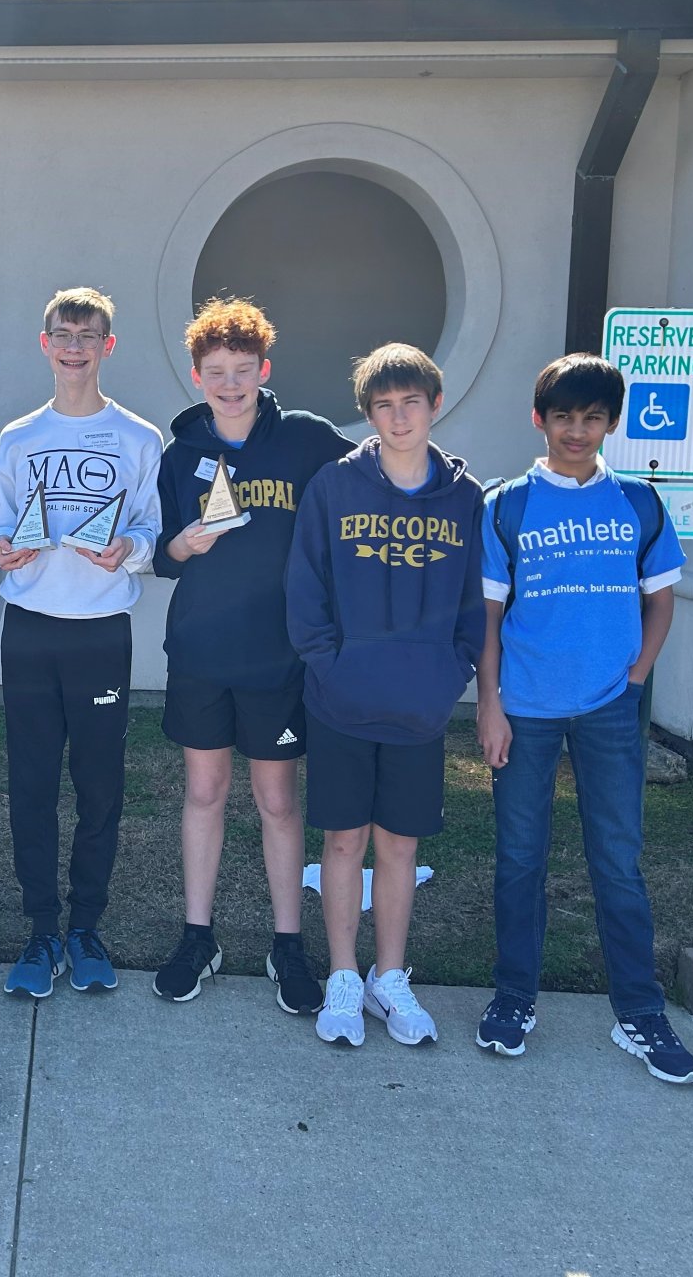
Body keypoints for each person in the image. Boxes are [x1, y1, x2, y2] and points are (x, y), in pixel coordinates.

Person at [474, 354, 693, 1083]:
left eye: (593, 417)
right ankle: (514, 1000)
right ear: (540, 420)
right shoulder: (505, 504)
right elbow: (487, 614)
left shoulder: (638, 501)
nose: (578, 430)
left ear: (612, 423)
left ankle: (640, 1012)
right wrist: (490, 702)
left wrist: (634, 679)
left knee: (617, 862)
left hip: (609, 707)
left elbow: (661, 599)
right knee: (519, 860)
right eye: (564, 416)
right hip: (525, 710)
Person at [149, 300, 352, 1009]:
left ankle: (287, 946)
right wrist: (184, 543)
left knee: (275, 800)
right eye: (215, 373)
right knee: (203, 792)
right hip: (202, 650)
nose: (229, 384)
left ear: (263, 371)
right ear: (197, 376)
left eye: (241, 371)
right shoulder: (181, 454)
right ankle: (197, 937)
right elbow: (162, 557)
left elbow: (370, 481)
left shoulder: (305, 439)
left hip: (279, 656)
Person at [286, 343, 483, 1047]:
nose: (398, 418)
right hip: (341, 699)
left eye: (411, 403)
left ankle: (389, 977)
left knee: (400, 845)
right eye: (383, 406)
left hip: (419, 704)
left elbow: (473, 603)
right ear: (369, 413)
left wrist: (449, 672)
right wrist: (329, 665)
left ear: (434, 405)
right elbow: (305, 587)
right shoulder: (335, 488)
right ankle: (343, 976)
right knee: (342, 840)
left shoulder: (464, 497)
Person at [0, 287, 163, 999]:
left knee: (99, 788)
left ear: (107, 347)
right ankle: (40, 929)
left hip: (100, 634)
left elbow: (151, 534)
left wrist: (127, 547)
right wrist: (3, 550)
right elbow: (0, 529)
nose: (74, 345)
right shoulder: (17, 437)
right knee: (31, 785)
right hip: (30, 630)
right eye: (62, 332)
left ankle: (86, 926)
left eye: (88, 335)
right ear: (44, 342)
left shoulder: (139, 438)